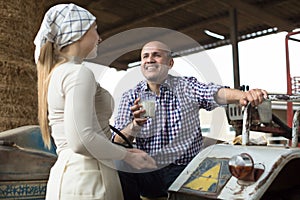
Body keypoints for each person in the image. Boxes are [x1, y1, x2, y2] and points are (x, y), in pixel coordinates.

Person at [113, 41, 268, 200]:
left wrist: (243, 95)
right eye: (145, 56)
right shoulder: (131, 96)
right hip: (149, 171)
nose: (150, 59)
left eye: (156, 55)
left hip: (184, 171)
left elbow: (214, 93)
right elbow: (118, 140)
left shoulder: (186, 87)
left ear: (170, 63)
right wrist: (135, 125)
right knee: (119, 160)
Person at [34, 4, 156, 200]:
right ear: (78, 33)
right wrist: (128, 155)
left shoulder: (57, 73)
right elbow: (82, 140)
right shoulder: (78, 73)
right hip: (90, 180)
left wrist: (132, 128)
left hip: (68, 179)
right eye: (94, 29)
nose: (99, 37)